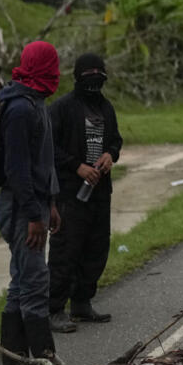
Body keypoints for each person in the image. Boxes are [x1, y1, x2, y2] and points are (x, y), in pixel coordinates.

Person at [0, 41, 62, 365]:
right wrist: (34, 215)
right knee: (35, 283)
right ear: (41, 67)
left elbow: (42, 163)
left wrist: (50, 203)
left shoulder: (36, 103)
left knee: (22, 281)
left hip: (35, 204)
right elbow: (17, 170)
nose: (57, 72)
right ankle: (45, 362)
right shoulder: (21, 109)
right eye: (52, 65)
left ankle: (16, 364)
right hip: (22, 208)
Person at [47, 53, 123, 332]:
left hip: (100, 192)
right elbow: (49, 148)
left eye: (98, 75)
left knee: (96, 249)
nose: (94, 81)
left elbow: (116, 139)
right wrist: (76, 166)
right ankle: (54, 308)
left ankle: (82, 303)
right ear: (78, 78)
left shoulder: (106, 107)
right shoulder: (62, 108)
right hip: (70, 193)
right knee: (66, 250)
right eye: (89, 75)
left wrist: (110, 154)